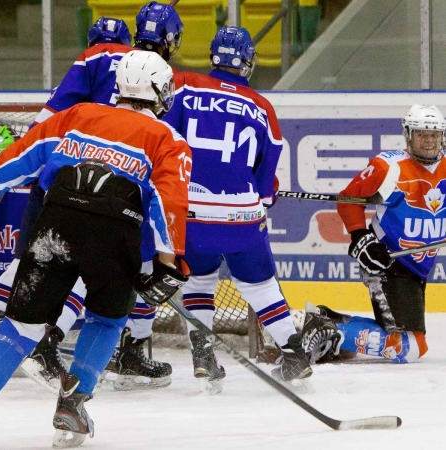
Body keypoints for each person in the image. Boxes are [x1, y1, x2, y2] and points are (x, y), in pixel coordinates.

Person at [0, 50, 191, 447]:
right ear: (157, 90)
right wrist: (168, 264)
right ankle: (73, 403)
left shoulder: (76, 115)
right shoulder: (167, 138)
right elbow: (169, 200)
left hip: (55, 224)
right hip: (114, 236)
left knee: (21, 324)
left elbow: (15, 163)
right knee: (105, 319)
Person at [160, 26, 341, 392]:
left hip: (190, 209)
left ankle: (203, 355)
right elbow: (265, 180)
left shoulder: (183, 86)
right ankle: (293, 354)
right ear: (248, 62)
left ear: (213, 56)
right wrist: (265, 193)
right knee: (259, 285)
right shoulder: (262, 106)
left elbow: (164, 142)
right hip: (239, 211)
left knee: (198, 278)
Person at [310, 103, 446, 364]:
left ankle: (329, 324)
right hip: (387, 262)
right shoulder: (389, 167)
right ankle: (325, 330)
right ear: (408, 135)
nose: (428, 141)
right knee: (410, 347)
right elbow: (349, 200)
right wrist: (361, 238)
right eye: (421, 134)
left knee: (407, 336)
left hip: (417, 265)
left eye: (434, 134)